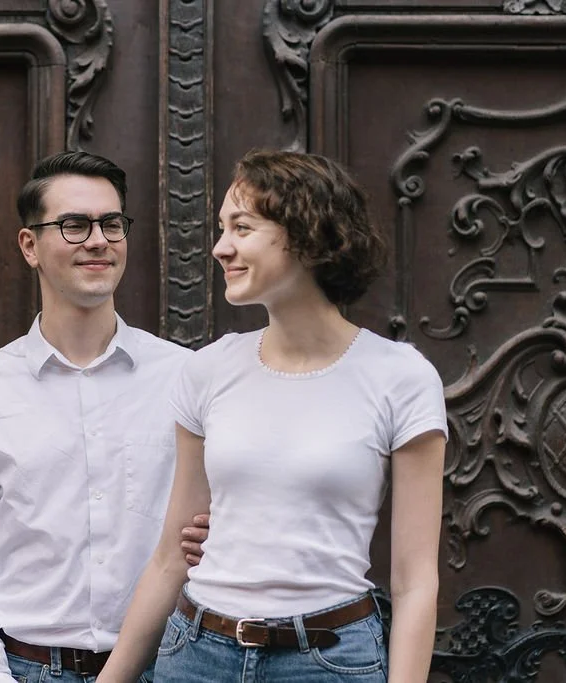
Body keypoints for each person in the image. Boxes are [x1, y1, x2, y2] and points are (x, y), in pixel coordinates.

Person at [97, 149, 448, 683]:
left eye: (242, 227)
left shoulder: (400, 377)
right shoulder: (208, 370)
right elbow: (171, 556)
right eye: (221, 228)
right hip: (197, 655)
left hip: (329, 660)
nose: (220, 247)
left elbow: (415, 582)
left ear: (308, 232)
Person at [0, 151, 208, 683]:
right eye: (74, 225)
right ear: (30, 245)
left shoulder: (187, 379)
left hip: (172, 666)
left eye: (111, 223)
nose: (98, 240)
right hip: (28, 670)